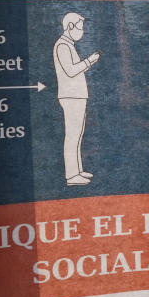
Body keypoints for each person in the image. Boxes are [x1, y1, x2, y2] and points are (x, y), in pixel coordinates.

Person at [53, 12, 100, 186]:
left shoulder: (68, 45)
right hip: (70, 96)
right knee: (72, 135)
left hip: (77, 96)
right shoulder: (62, 46)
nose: (82, 31)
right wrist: (90, 61)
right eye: (80, 27)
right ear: (70, 27)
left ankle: (77, 171)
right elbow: (71, 71)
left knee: (78, 135)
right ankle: (71, 176)